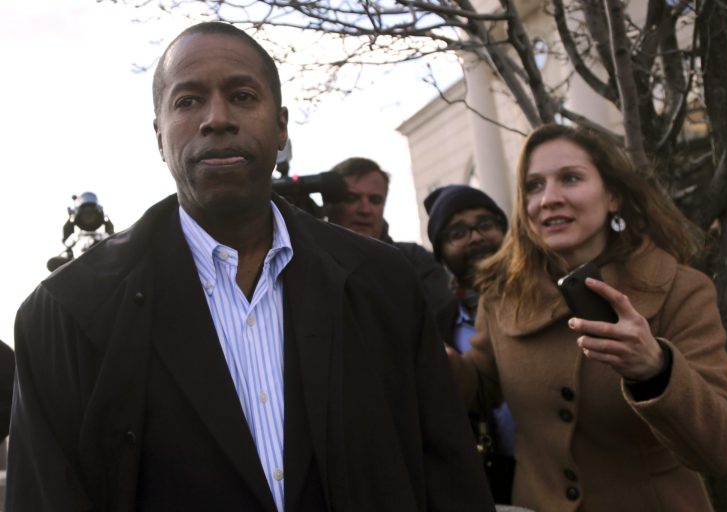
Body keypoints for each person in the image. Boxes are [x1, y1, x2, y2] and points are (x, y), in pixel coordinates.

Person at [7, 22, 495, 511]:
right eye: (187, 101)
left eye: (242, 96)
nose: (216, 118)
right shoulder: (66, 316)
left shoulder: (384, 284)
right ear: (159, 134)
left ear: (281, 127)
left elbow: (448, 478)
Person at [449, 123, 727, 511]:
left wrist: (656, 370)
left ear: (614, 197)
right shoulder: (502, 294)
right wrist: (436, 359)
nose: (548, 199)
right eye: (534, 186)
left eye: (570, 178)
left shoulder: (679, 290)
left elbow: (722, 450)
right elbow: (483, 383)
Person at [423, 185, 516, 504]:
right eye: (458, 232)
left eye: (485, 224)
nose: (476, 237)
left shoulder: (547, 298)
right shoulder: (435, 328)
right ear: (441, 253)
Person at [326, 157, 456, 341]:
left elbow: (437, 322)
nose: (365, 209)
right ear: (329, 203)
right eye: (352, 198)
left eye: (375, 200)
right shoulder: (310, 262)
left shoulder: (414, 260)